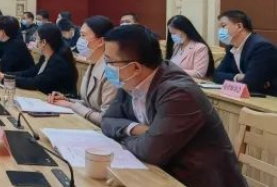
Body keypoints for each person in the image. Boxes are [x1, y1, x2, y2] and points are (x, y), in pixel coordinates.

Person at [101, 24, 246, 187]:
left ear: (135, 67)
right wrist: (136, 129)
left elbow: (151, 152)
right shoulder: (129, 81)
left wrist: (122, 140)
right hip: (161, 174)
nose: (106, 67)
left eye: (109, 61)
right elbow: (107, 120)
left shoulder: (179, 93)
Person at [49, 16, 116, 126]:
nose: (80, 40)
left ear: (101, 41)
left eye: (83, 36)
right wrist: (67, 100)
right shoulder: (93, 62)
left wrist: (72, 106)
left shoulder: (113, 73)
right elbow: (89, 105)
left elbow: (107, 120)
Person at [214, 10, 277, 95]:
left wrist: (246, 79)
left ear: (239, 26)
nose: (220, 31)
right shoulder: (231, 47)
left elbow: (252, 83)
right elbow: (216, 75)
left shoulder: (262, 47)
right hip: (245, 95)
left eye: (223, 26)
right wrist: (237, 77)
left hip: (269, 98)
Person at [12, 23, 77, 95]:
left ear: (43, 42)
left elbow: (36, 83)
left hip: (57, 99)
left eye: (37, 38)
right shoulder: (45, 56)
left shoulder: (58, 62)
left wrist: (9, 79)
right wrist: (8, 75)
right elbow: (32, 72)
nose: (35, 42)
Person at [165, 15, 214, 79]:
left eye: (174, 33)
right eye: (171, 33)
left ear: (185, 31)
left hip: (190, 82)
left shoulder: (200, 48)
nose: (172, 36)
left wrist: (174, 71)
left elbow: (199, 73)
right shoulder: (176, 46)